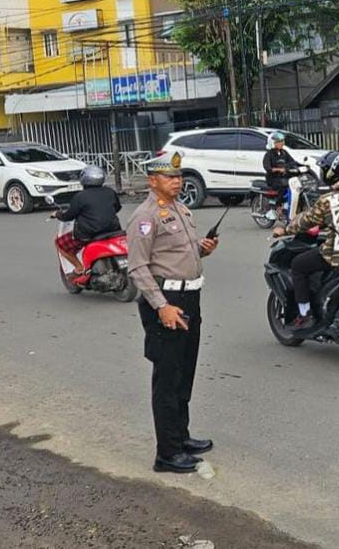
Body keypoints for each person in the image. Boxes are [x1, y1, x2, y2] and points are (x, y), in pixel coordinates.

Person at [127, 151, 219, 474]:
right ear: (153, 181)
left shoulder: (180, 209)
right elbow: (137, 267)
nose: (177, 182)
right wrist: (162, 306)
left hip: (190, 299)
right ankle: (166, 453)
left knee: (184, 373)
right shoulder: (145, 217)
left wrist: (201, 250)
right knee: (167, 379)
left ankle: (180, 436)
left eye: (179, 177)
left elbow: (178, 254)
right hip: (166, 302)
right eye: (170, 177)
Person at [271, 151, 339, 330]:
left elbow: (306, 219)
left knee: (299, 265)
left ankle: (305, 314)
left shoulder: (329, 199)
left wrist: (284, 229)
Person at [53, 165, 122, 281]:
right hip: (114, 230)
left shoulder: (80, 197)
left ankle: (79, 268)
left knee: (59, 244)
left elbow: (68, 216)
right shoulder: (110, 192)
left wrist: (57, 214)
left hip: (88, 234)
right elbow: (117, 208)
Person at [263, 132, 299, 215]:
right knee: (283, 185)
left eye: (282, 141)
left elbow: (292, 162)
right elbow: (267, 167)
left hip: (284, 177)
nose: (282, 143)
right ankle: (278, 205)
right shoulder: (269, 155)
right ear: (273, 143)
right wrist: (277, 169)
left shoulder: (284, 153)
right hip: (273, 179)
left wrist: (301, 166)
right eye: (279, 141)